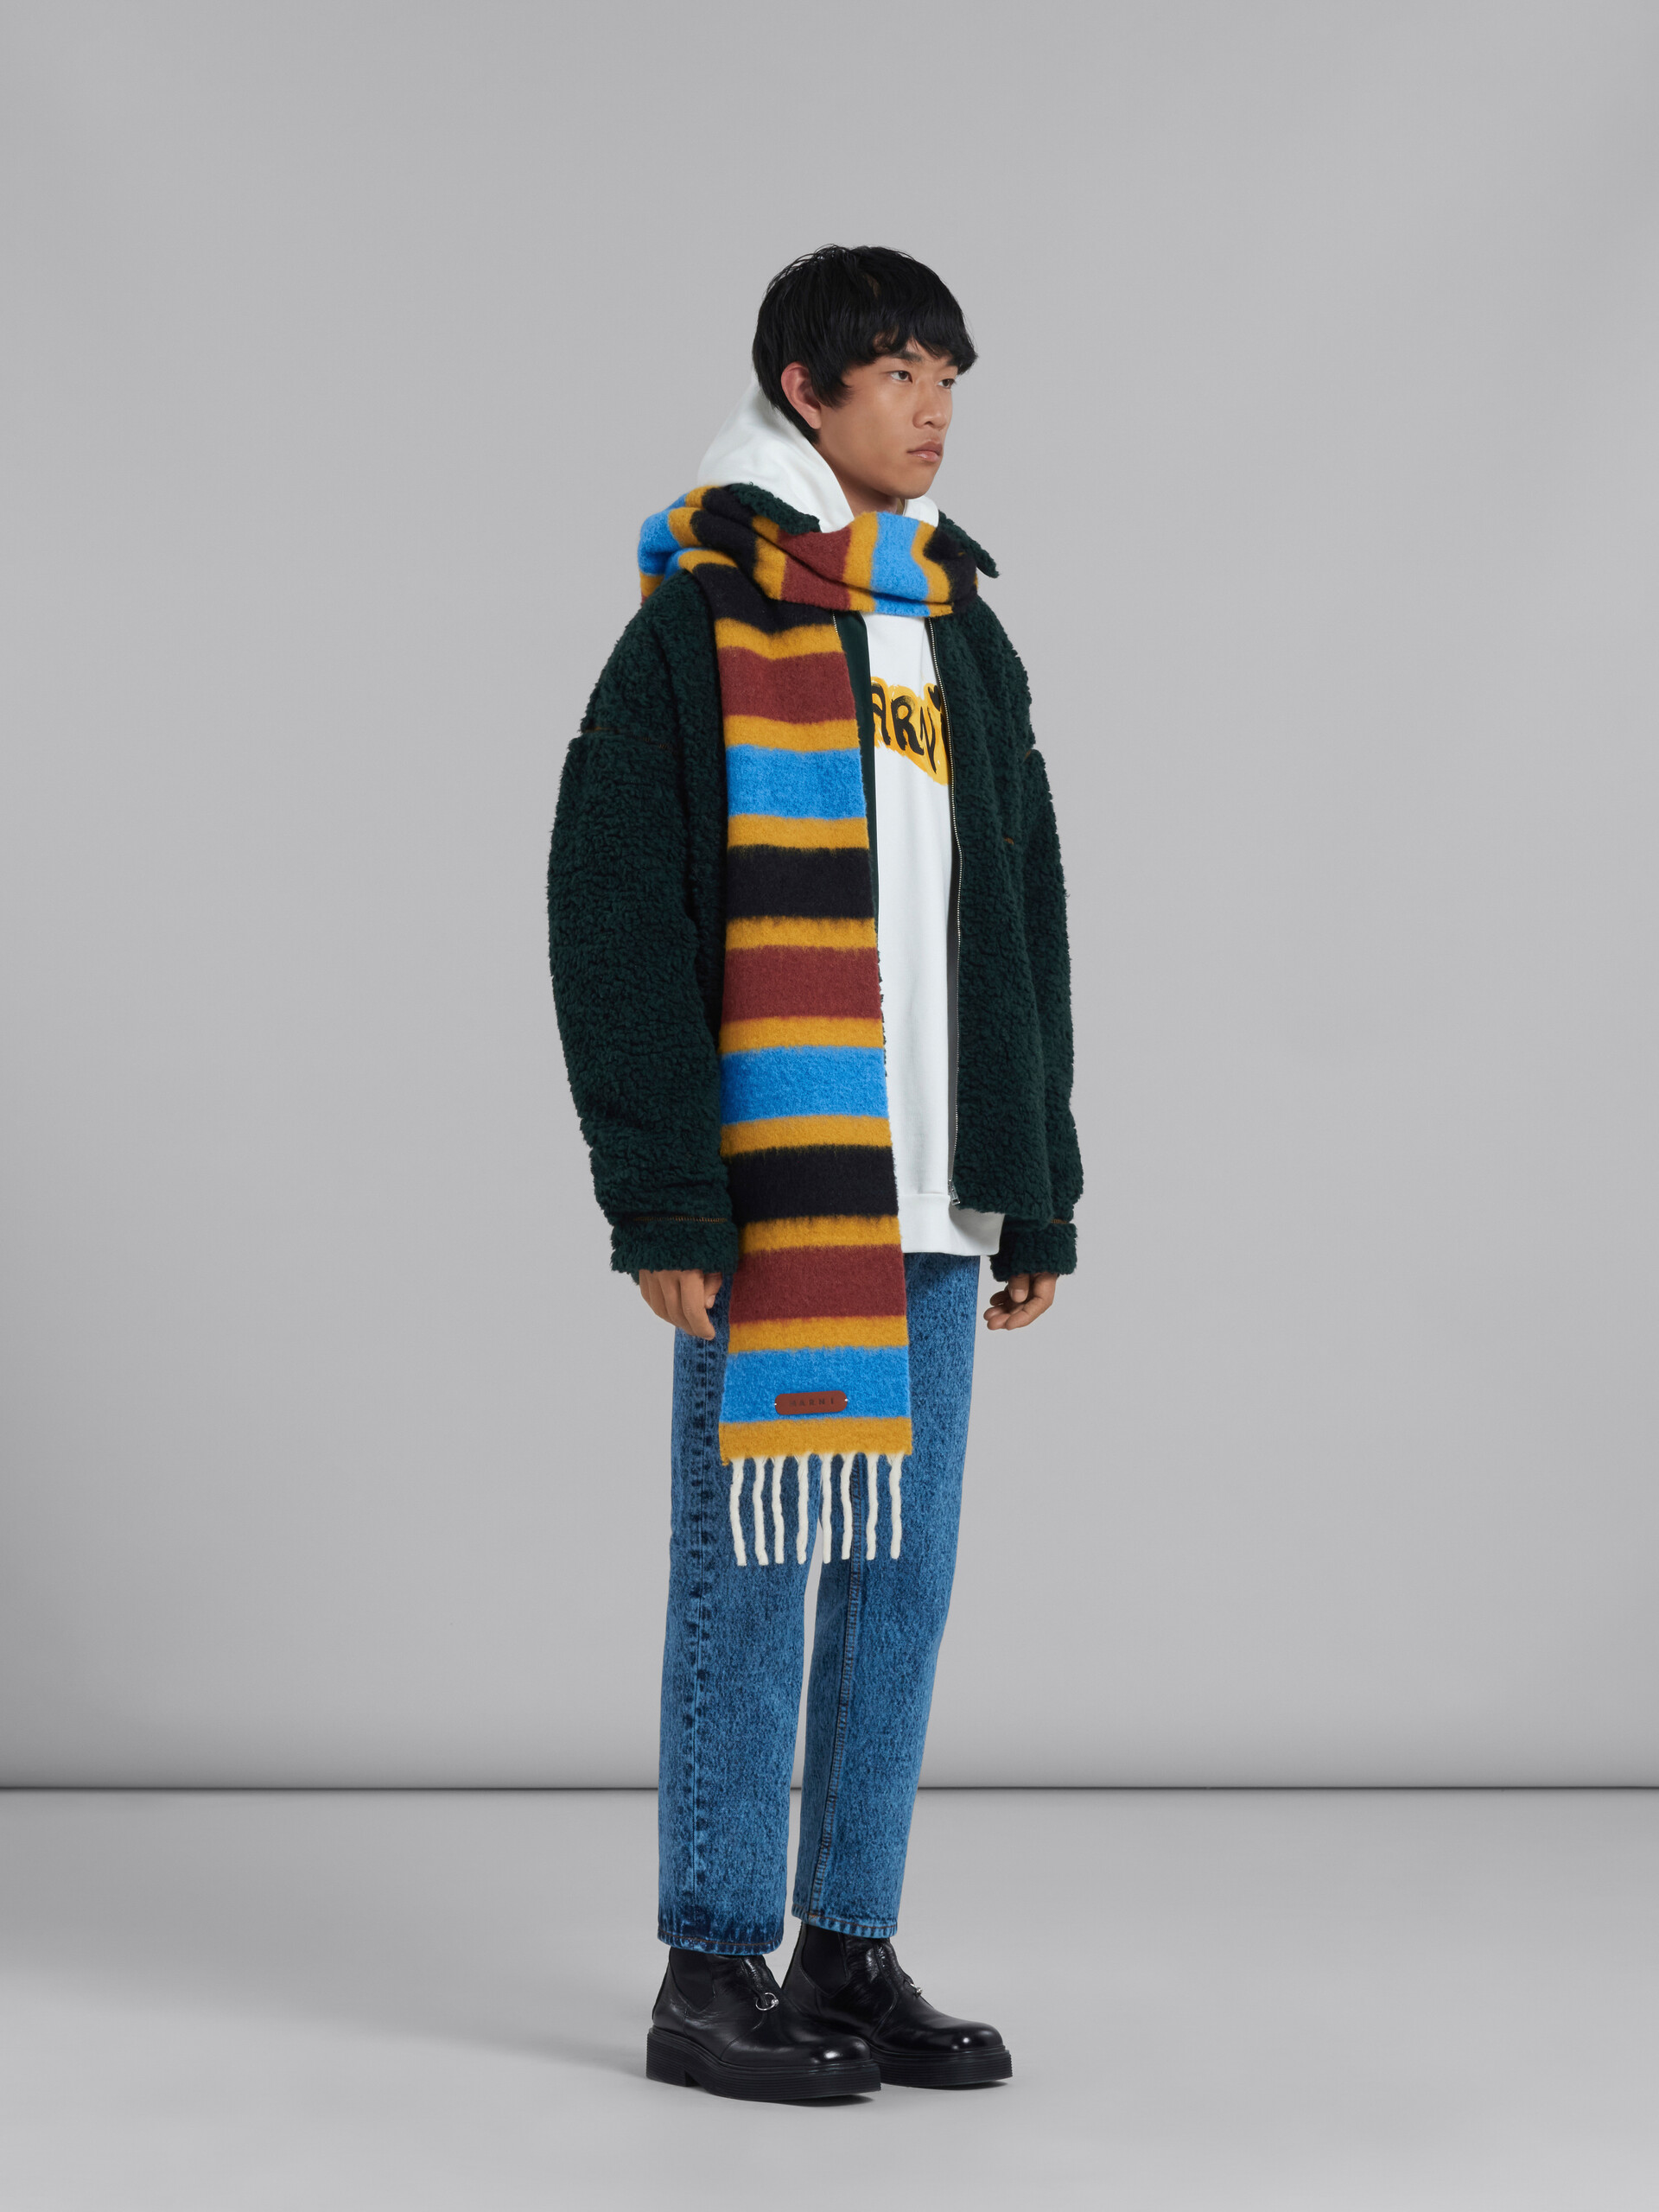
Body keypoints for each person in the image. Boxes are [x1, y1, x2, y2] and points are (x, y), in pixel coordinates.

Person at [548, 245, 1081, 2101]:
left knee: (900, 1582)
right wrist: (662, 1195)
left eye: (949, 377)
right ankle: (713, 1968)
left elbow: (1024, 911)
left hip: (936, 1197)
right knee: (751, 1578)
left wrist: (1037, 1176)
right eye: (900, 373)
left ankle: (849, 1941)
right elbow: (614, 914)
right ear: (804, 387)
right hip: (778, 1199)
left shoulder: (955, 627)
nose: (934, 408)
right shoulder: (699, 624)